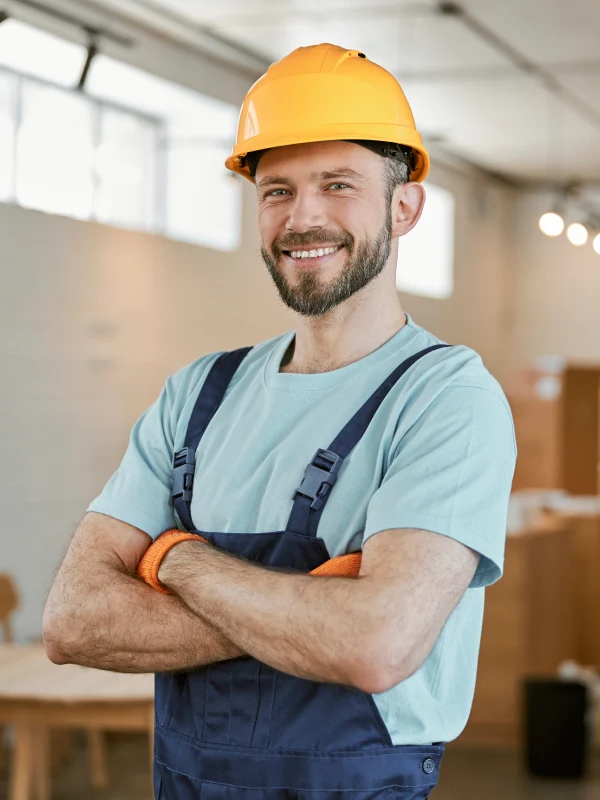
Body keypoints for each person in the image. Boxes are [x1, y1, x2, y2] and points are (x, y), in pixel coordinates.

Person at [43, 43, 516, 799]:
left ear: (405, 206)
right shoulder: (197, 394)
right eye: (276, 190)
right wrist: (314, 608)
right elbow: (74, 620)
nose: (304, 217)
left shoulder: (447, 399)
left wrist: (175, 562)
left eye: (338, 184)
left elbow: (376, 644)